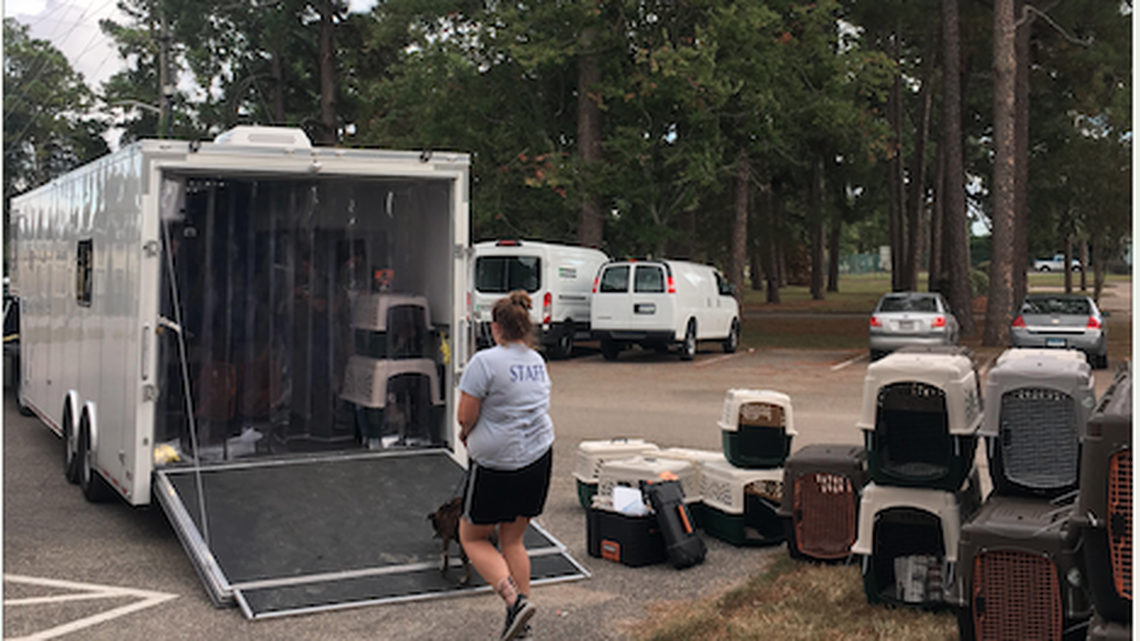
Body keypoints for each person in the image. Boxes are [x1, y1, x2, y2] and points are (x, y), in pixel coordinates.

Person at [457, 290, 555, 641]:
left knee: (472, 536)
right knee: (513, 540)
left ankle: (513, 601)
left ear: (495, 327)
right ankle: (521, 623)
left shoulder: (484, 361)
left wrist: (466, 434)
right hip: (537, 456)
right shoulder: (536, 361)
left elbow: (465, 416)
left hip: (496, 462)